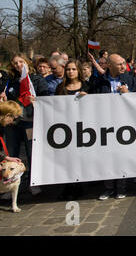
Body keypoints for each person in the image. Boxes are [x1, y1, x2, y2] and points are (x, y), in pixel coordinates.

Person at [91, 53, 136, 200]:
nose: (124, 66)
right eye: (119, 64)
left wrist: (128, 93)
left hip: (124, 124)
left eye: (124, 63)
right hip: (106, 125)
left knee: (121, 157)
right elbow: (92, 101)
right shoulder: (99, 82)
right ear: (109, 66)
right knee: (107, 157)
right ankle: (108, 188)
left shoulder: (130, 79)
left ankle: (121, 187)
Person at [3, 53, 49, 195]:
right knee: (11, 154)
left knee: (31, 153)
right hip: (13, 124)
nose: (18, 65)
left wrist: (37, 100)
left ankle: (33, 182)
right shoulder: (11, 81)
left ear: (27, 62)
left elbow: (46, 96)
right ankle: (8, 186)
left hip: (30, 122)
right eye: (15, 63)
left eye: (21, 62)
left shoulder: (36, 79)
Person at [54, 60, 88, 200]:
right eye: (68, 69)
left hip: (83, 126)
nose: (70, 72)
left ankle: (78, 186)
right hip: (66, 125)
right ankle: (68, 185)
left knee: (79, 156)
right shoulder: (60, 87)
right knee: (67, 157)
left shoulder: (87, 86)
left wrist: (87, 98)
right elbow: (54, 105)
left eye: (73, 69)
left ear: (78, 71)